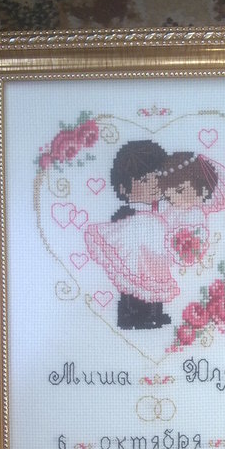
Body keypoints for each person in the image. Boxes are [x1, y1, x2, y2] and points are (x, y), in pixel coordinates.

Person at [87, 140, 170, 329]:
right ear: (124, 189)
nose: (154, 185)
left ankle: (155, 314)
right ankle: (131, 316)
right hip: (134, 262)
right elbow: (119, 232)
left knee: (155, 287)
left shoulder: (158, 210)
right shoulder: (128, 214)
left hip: (154, 260)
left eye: (157, 177)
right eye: (145, 181)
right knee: (134, 290)